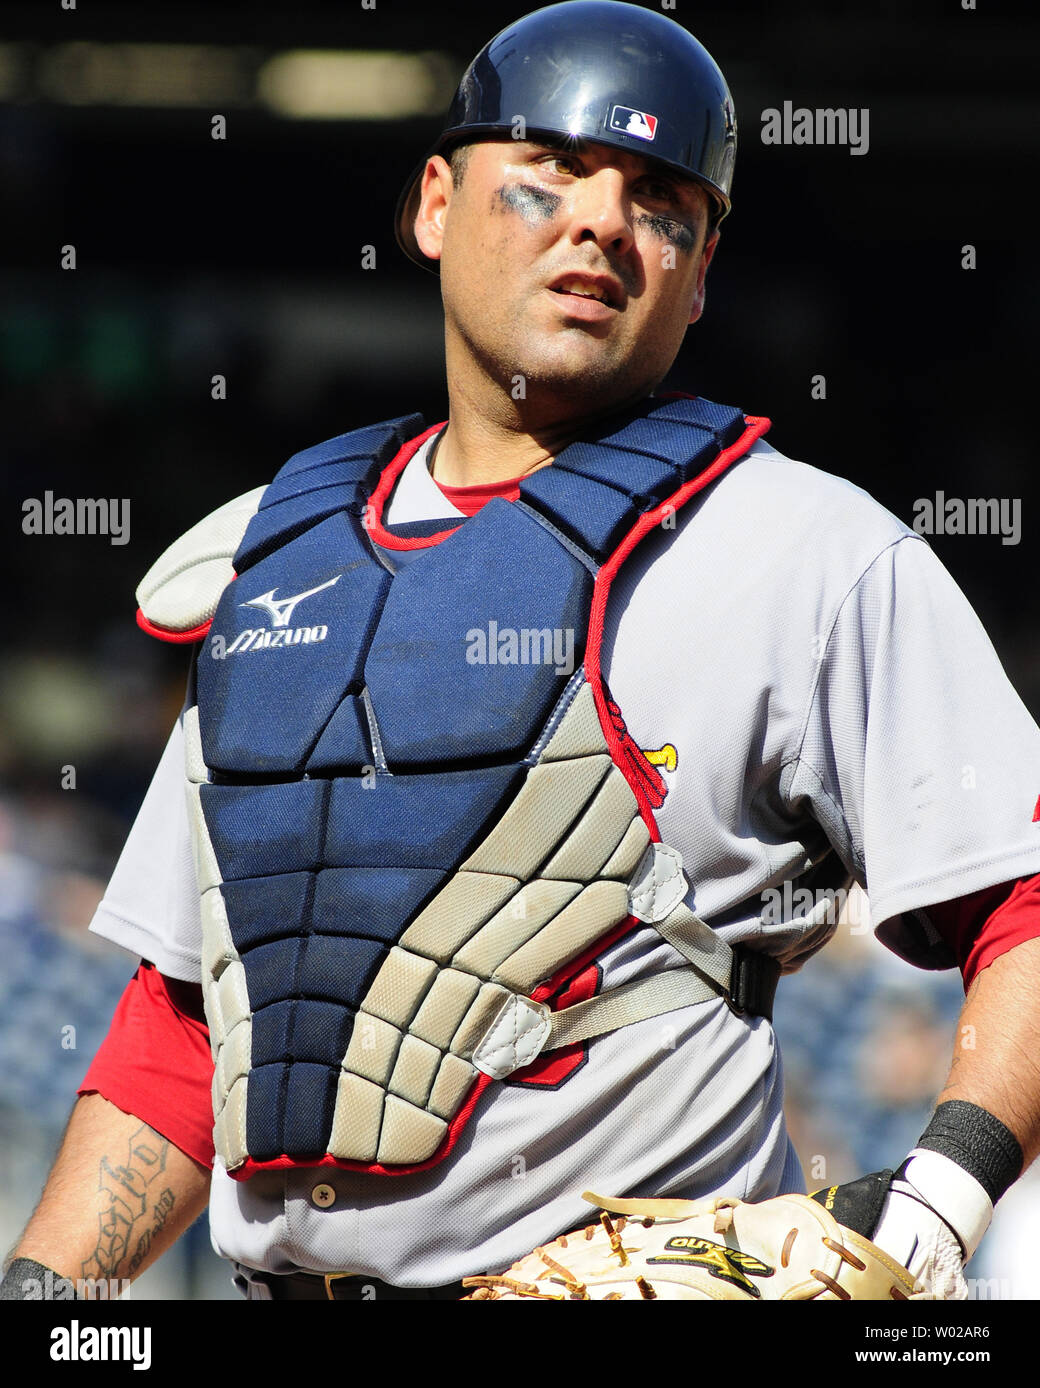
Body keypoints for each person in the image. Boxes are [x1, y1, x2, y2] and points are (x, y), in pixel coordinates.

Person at [4, 0, 1040, 1303]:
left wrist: (942, 1198)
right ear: (435, 203)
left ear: (700, 272)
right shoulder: (269, 558)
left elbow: (1027, 892)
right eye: (551, 174)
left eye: (663, 201)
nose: (604, 220)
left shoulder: (808, 553)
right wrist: (50, 1285)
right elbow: (183, 1018)